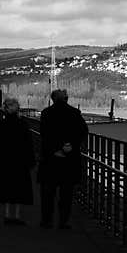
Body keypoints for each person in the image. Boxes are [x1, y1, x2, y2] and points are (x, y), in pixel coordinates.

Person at [38, 89, 88, 229]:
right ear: (66, 98)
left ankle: (47, 220)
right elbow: (83, 132)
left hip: (51, 159)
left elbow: (45, 134)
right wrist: (69, 145)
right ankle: (63, 221)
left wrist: (56, 149)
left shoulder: (46, 113)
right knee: (66, 194)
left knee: (48, 193)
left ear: (53, 99)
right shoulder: (74, 113)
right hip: (69, 159)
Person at [0, 97, 35, 225]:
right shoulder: (23, 124)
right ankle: (16, 215)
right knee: (18, 188)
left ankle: (6, 214)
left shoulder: (2, 125)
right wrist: (30, 160)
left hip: (6, 160)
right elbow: (29, 143)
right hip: (20, 161)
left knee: (6, 186)